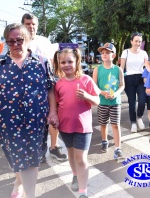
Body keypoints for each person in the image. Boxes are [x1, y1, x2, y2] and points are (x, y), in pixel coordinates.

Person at [0, 23, 57, 198]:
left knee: (32, 158)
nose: (16, 44)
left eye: (20, 40)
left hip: (36, 119)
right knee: (19, 158)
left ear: (28, 39)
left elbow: (50, 88)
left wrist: (53, 112)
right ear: (6, 43)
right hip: (7, 121)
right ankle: (24, 188)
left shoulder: (41, 62)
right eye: (11, 41)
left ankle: (23, 187)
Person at [53, 47, 100, 198]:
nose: (67, 65)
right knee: (72, 155)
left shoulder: (86, 79)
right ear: (59, 64)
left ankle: (83, 192)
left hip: (83, 127)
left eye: (70, 61)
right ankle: (75, 175)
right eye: (63, 62)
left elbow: (97, 101)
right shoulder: (58, 84)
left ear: (77, 61)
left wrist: (87, 96)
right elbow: (57, 104)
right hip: (65, 126)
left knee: (81, 158)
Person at [21, 13, 67, 162]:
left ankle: (54, 147)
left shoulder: (45, 41)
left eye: (33, 24)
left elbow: (55, 61)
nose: (31, 27)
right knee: (33, 121)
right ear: (23, 25)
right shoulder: (20, 42)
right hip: (29, 89)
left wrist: (61, 78)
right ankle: (37, 151)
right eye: (28, 24)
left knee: (55, 116)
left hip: (49, 85)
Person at [92, 43, 125, 160]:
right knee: (103, 123)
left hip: (115, 102)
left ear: (114, 55)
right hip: (102, 102)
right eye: (103, 53)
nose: (105, 55)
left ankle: (118, 148)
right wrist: (102, 92)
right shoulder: (97, 69)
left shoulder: (118, 69)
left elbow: (122, 85)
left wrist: (115, 93)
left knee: (116, 124)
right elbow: (94, 86)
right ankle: (104, 140)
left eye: (108, 53)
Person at [120, 32, 150, 133]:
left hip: (141, 79)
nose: (138, 43)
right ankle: (133, 122)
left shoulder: (143, 53)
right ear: (131, 41)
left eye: (140, 41)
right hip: (129, 79)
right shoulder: (126, 52)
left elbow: (148, 67)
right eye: (136, 41)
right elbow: (122, 67)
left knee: (142, 101)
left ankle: (139, 117)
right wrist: (119, 80)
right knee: (132, 103)